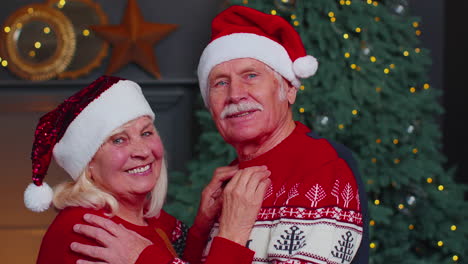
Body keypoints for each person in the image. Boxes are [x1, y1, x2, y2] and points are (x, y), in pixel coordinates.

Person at [69, 5, 369, 264]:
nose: (236, 94)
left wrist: (146, 259)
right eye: (219, 83)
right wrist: (201, 229)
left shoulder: (320, 170)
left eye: (251, 75)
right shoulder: (232, 179)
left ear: (289, 88)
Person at [24, 75, 271, 264]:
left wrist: (202, 227)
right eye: (118, 140)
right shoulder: (86, 231)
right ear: (88, 164)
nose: (142, 150)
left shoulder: (149, 217)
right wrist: (232, 234)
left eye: (146, 132)